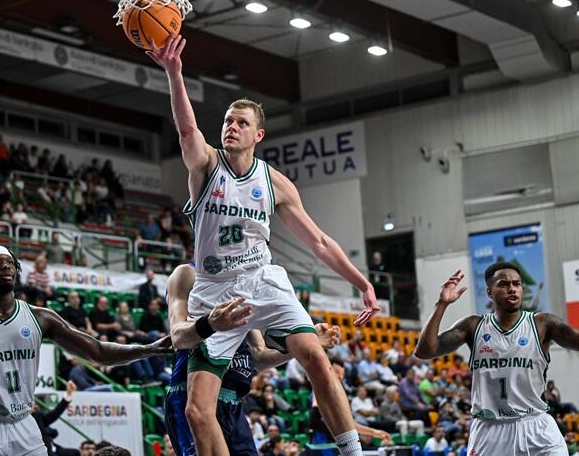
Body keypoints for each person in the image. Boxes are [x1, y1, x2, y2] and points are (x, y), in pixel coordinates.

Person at [148, 35, 378, 456]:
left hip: (263, 279)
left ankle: (352, 451)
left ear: (259, 134)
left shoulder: (274, 183)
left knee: (314, 355)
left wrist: (361, 282)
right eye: (227, 122)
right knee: (198, 411)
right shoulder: (206, 165)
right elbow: (186, 129)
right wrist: (174, 72)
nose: (230, 127)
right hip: (215, 290)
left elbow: (320, 242)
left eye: (240, 123)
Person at [0, 245, 171, 456]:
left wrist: (148, 348)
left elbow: (97, 351)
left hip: (25, 424)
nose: (5, 266)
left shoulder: (40, 317)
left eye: (10, 262)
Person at [164, 264, 341, 456]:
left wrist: (304, 346)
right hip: (192, 395)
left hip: (233, 404)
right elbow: (177, 337)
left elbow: (259, 356)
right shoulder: (187, 274)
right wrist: (210, 324)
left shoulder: (246, 284)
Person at [416, 264, 577, 455]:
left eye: (517, 284)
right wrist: (441, 305)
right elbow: (425, 351)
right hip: (490, 430)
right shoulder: (473, 326)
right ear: (489, 292)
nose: (512, 288)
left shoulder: (542, 324)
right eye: (503, 284)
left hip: (536, 426)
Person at [32, 380, 79, 456]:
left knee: (76, 453)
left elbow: (53, 415)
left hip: (52, 450)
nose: (34, 405)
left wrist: (68, 395)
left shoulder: (36, 415)